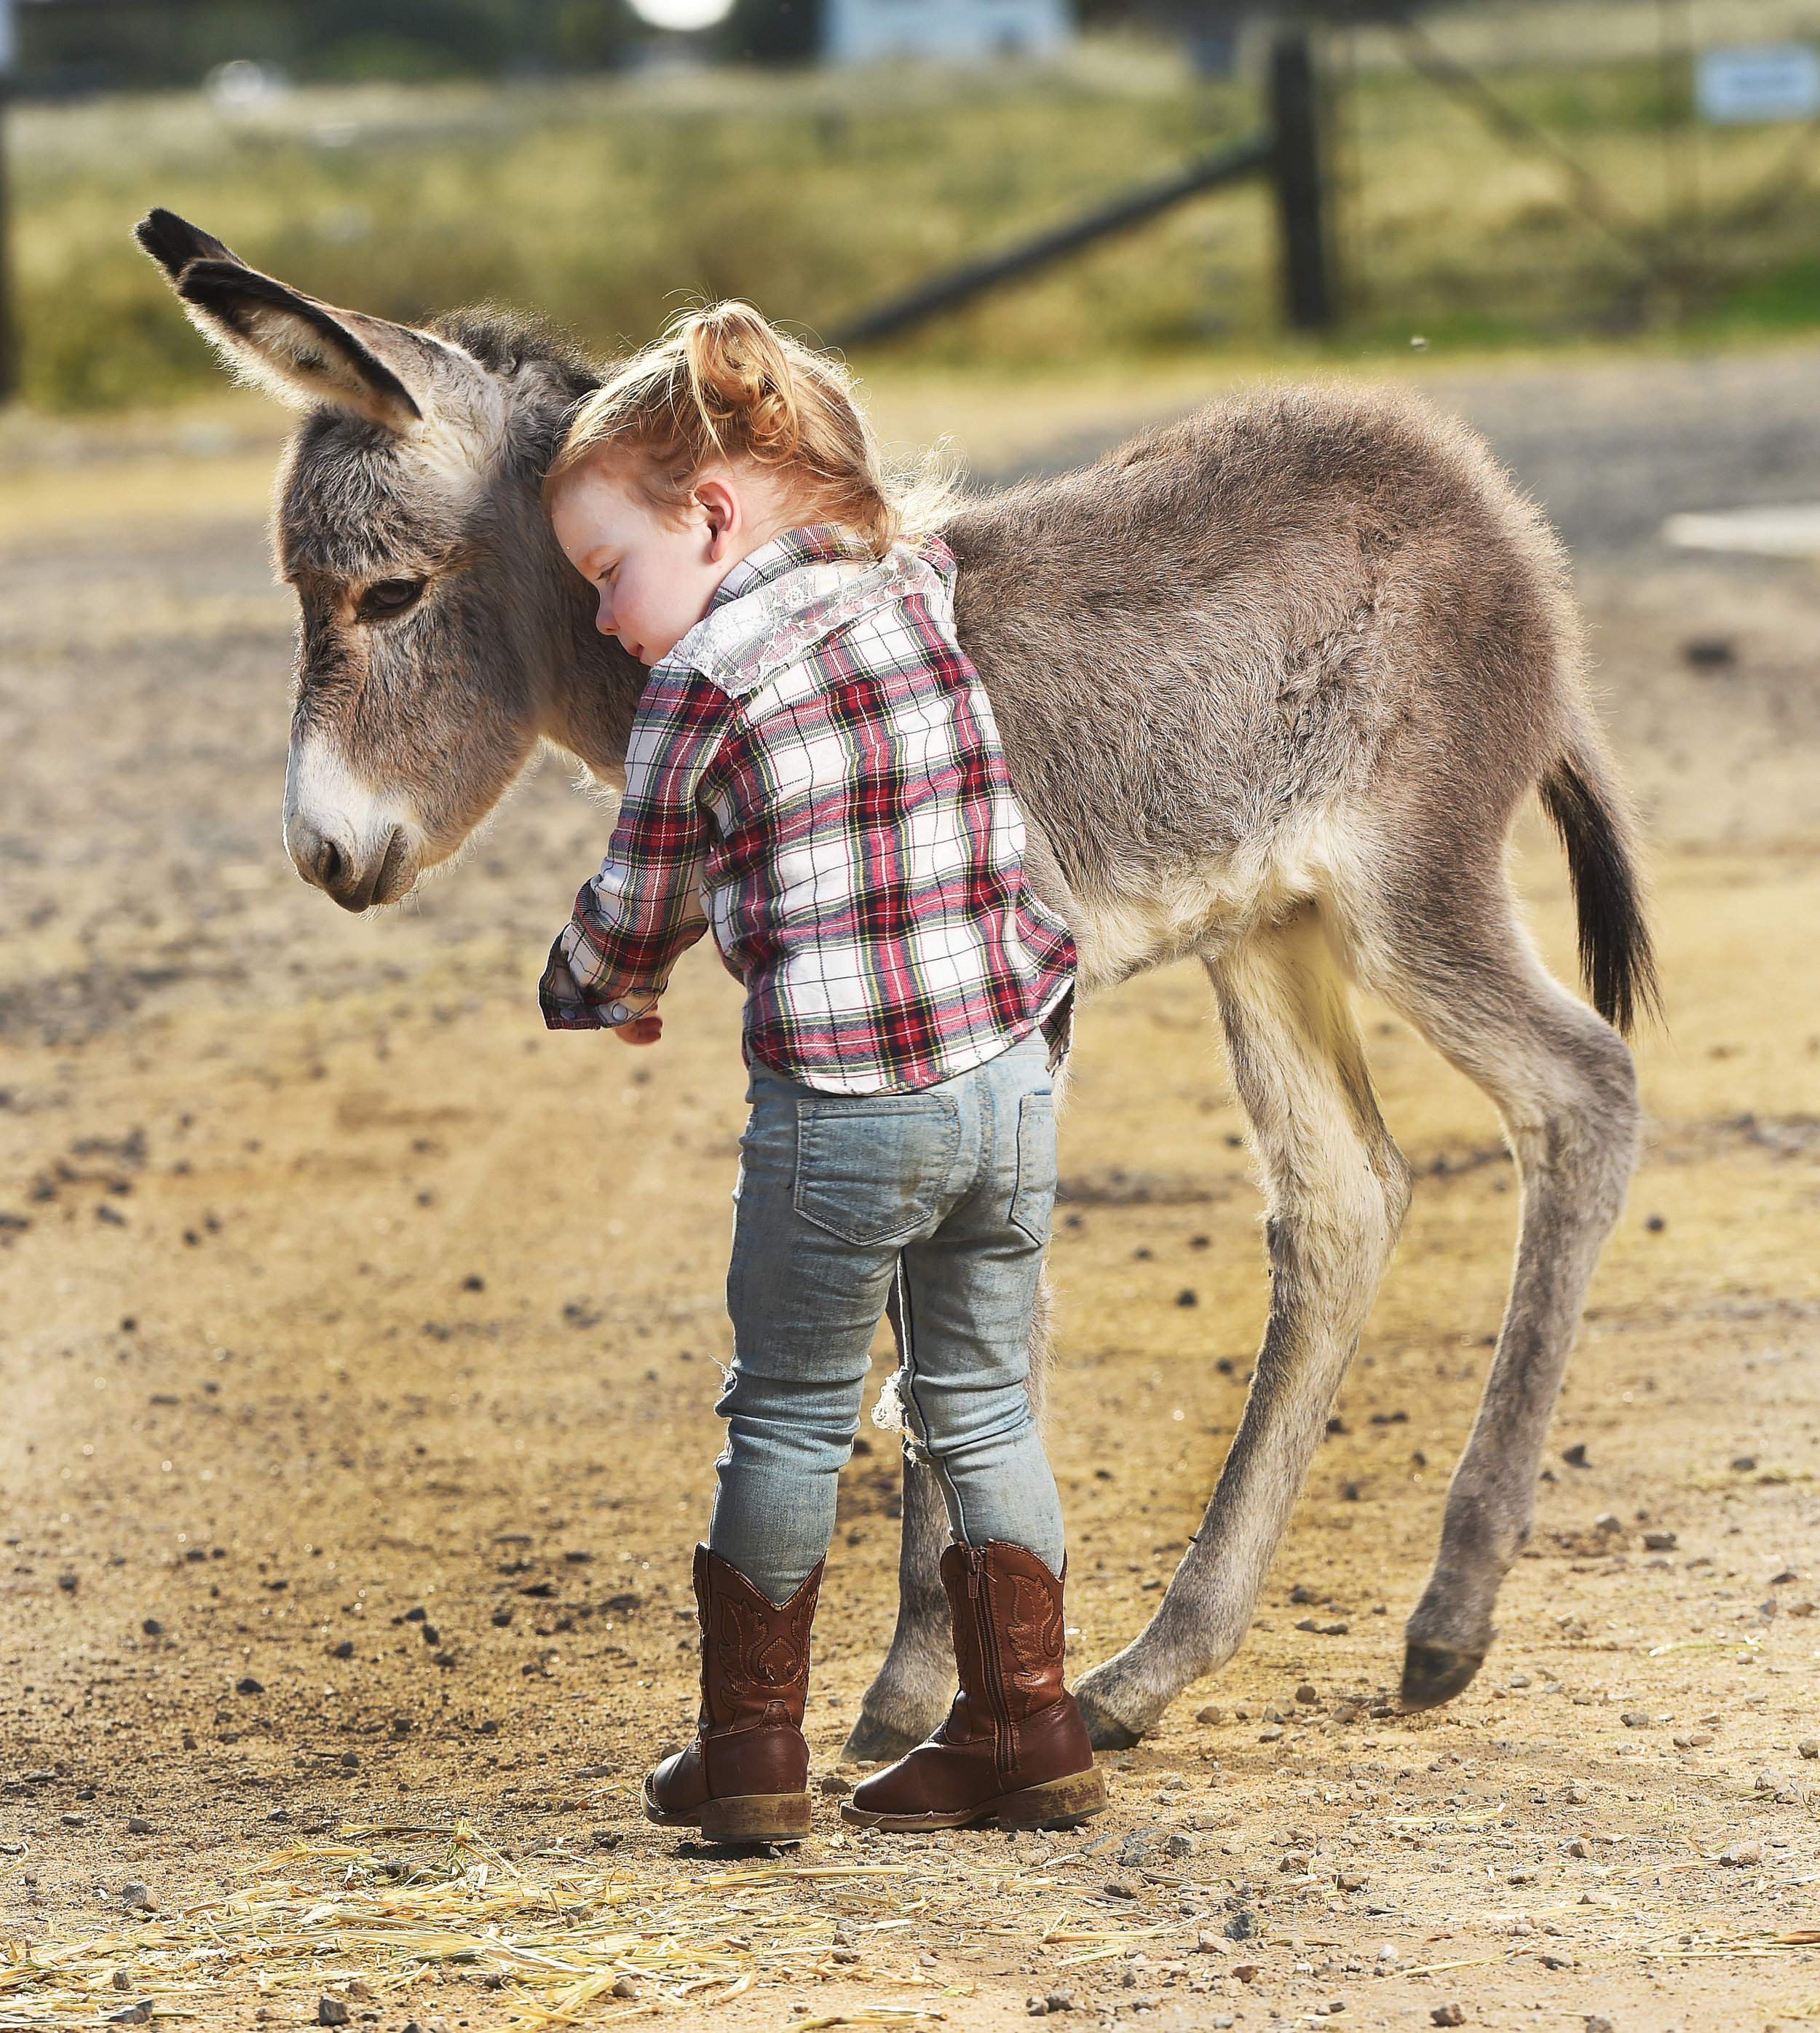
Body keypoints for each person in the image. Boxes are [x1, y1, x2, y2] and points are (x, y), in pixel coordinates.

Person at [537, 302, 1104, 1841]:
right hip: (1003, 1078)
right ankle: (1024, 1719)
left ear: (710, 513)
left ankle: (752, 1754)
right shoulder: (914, 587)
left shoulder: (701, 682)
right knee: (980, 1408)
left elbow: (637, 897)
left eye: (607, 573)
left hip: (846, 1113)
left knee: (786, 1414)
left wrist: (593, 989)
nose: (603, 618)